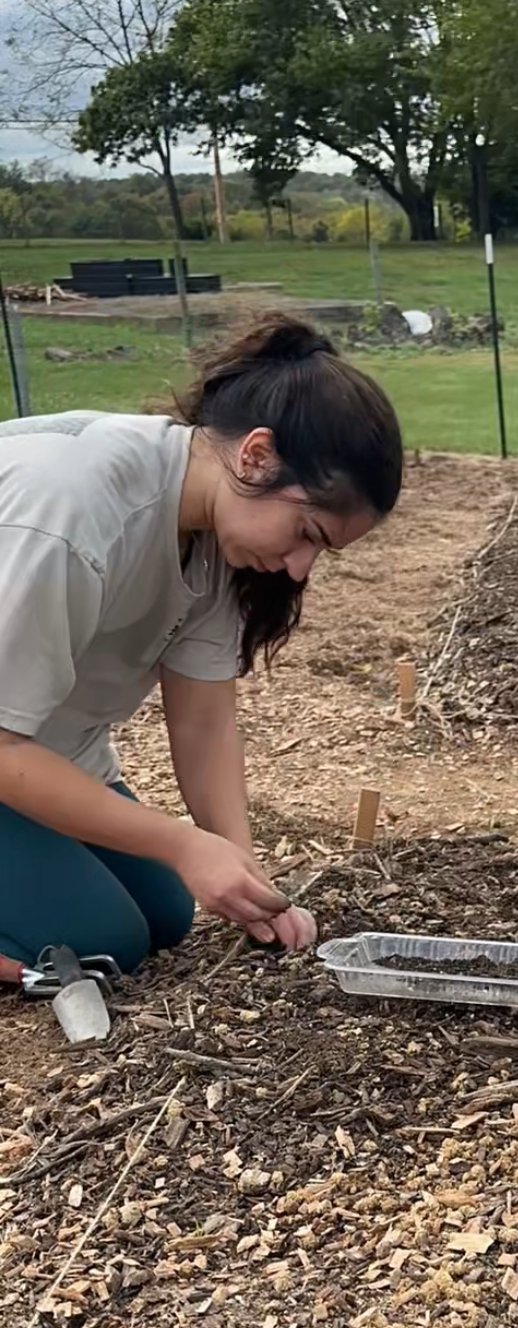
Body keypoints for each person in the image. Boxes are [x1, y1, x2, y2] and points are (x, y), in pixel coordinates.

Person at [0, 313, 403, 976]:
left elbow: (204, 723)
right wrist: (183, 844)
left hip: (41, 750)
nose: (300, 568)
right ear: (256, 456)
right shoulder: (70, 514)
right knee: (101, 938)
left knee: (166, 913)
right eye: (307, 533)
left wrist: (244, 872)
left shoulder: (213, 533)